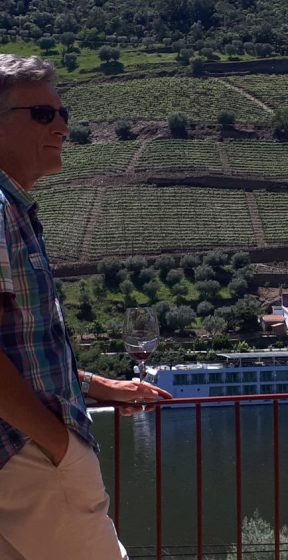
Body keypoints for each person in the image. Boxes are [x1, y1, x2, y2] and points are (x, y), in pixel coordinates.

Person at [0, 54, 172, 559]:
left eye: (63, 113)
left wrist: (97, 386)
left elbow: (23, 346)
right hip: (31, 458)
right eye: (42, 114)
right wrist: (58, 445)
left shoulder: (14, 208)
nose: (61, 127)